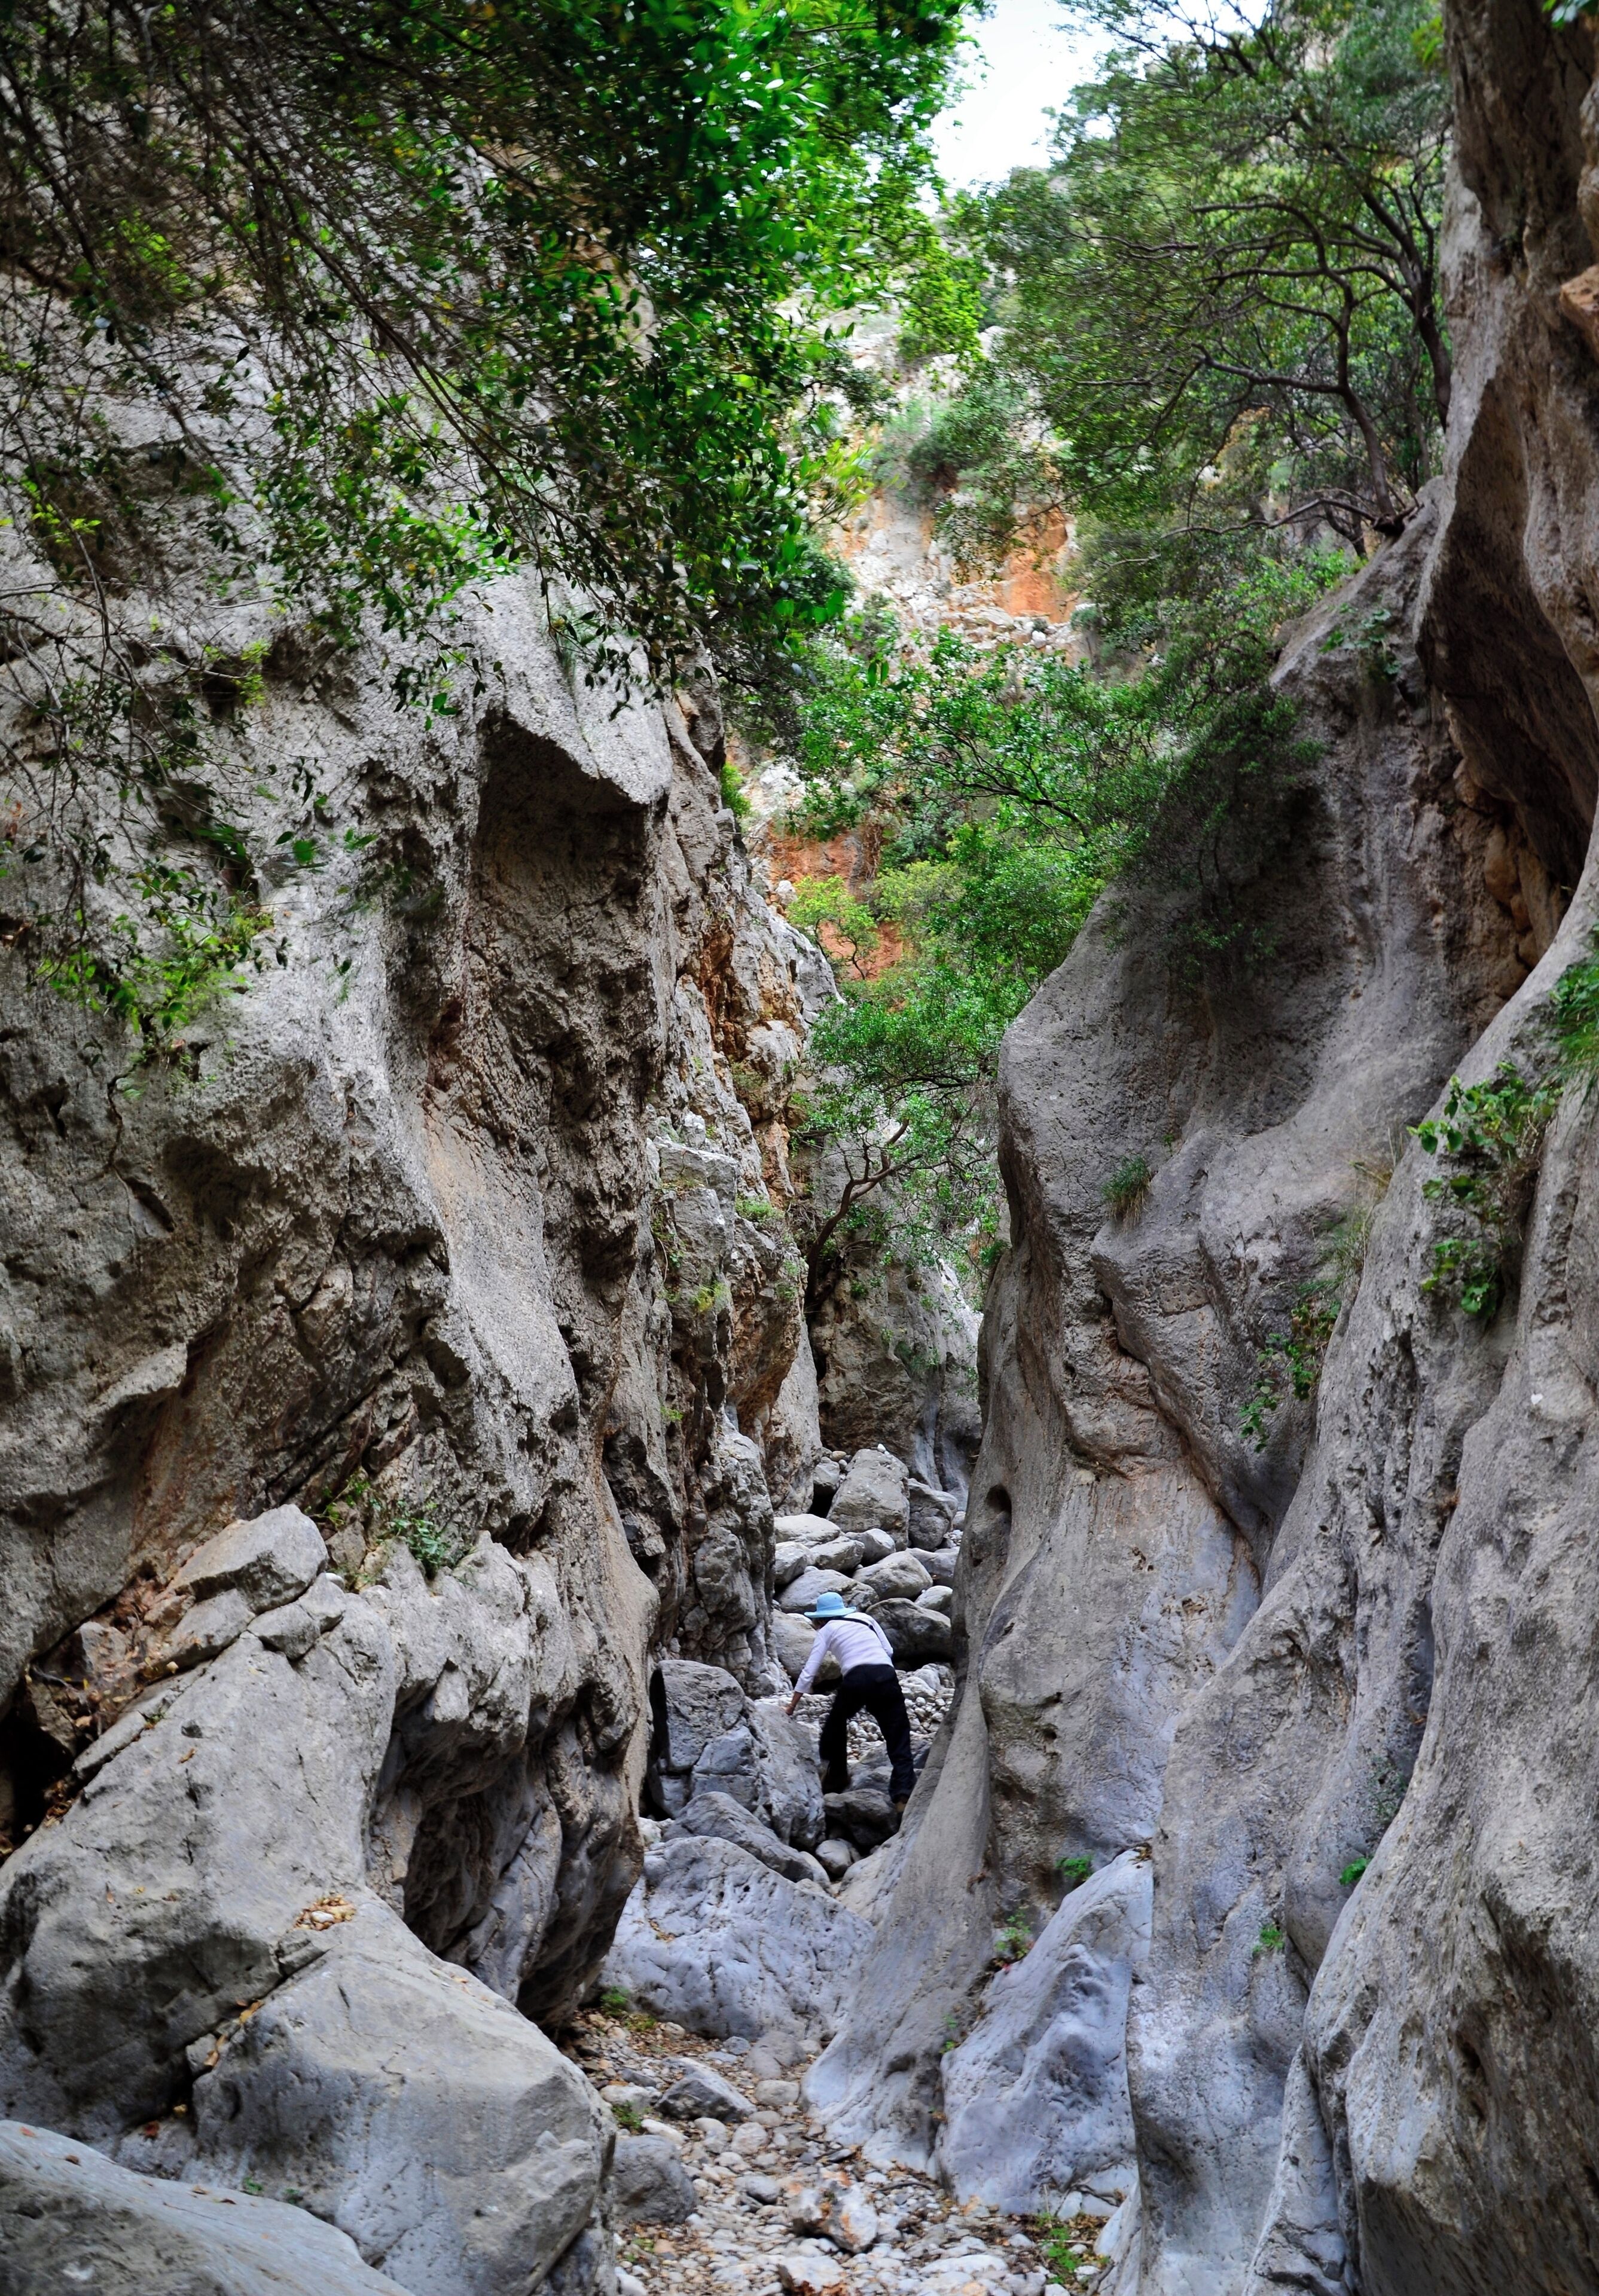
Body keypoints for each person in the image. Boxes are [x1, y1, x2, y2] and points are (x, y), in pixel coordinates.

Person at [786, 1589, 916, 1813]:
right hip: (885, 1676)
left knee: (835, 1725)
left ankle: (836, 1775)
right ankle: (903, 1796)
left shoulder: (827, 1630)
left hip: (856, 1680)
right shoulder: (866, 1619)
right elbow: (888, 1650)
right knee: (898, 1735)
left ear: (820, 1618)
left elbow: (810, 1670)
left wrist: (792, 1706)